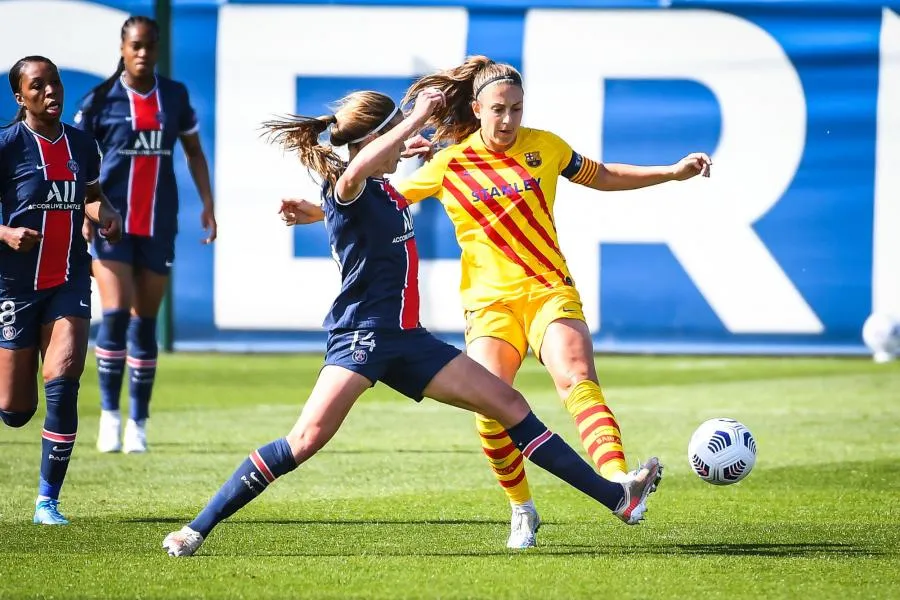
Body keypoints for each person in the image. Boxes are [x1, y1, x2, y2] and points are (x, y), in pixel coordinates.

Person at [161, 88, 661, 557]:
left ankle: (618, 498)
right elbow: (350, 180)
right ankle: (195, 528)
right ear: (372, 140)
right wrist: (415, 117)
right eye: (394, 130)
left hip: (408, 340)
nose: (405, 138)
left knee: (507, 402)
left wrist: (332, 200)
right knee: (305, 439)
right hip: (362, 338)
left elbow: (359, 196)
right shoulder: (349, 183)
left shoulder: (380, 190)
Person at [280, 55, 710, 549]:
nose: (508, 120)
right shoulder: (450, 162)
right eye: (499, 109)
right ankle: (522, 509)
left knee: (576, 377)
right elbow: (377, 195)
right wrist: (315, 212)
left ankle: (619, 480)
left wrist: (671, 173)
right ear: (478, 109)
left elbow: (604, 175)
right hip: (489, 306)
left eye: (517, 109)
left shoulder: (546, 147)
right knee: (490, 407)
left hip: (548, 287)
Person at [74, 15, 217, 454]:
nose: (143, 53)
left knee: (145, 322)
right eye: (136, 45)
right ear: (122, 47)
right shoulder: (99, 100)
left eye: (150, 46)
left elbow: (193, 151)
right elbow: (77, 161)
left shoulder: (174, 96)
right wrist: (85, 212)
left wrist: (209, 205)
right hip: (111, 225)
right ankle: (109, 417)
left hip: (158, 222)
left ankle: (138, 421)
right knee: (114, 317)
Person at [0, 56, 123, 525]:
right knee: (14, 411)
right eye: (38, 85)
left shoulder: (81, 143)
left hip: (69, 277)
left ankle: (46, 502)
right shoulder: (8, 146)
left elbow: (90, 194)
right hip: (14, 285)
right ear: (20, 97)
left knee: (64, 380)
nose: (51, 91)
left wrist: (105, 214)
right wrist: (6, 234)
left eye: (55, 82)